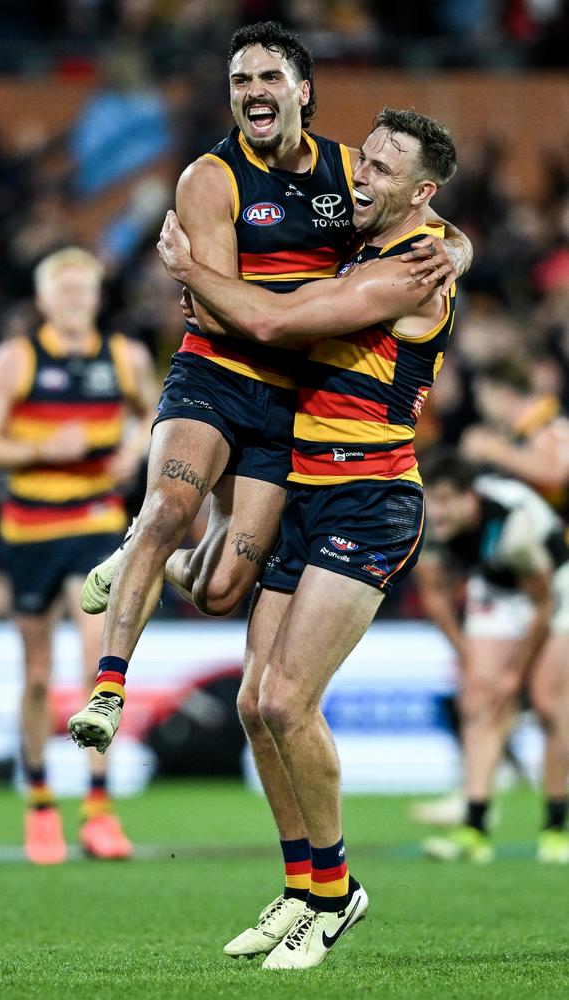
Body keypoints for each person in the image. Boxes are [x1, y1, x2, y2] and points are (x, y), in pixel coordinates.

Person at [68, 23, 470, 747]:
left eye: (268, 78)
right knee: (166, 505)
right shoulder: (209, 179)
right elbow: (226, 319)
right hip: (217, 375)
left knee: (222, 591)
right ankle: (108, 689)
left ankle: (139, 558)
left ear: (301, 92)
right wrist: (239, 295)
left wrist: (457, 252)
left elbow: (424, 218)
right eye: (240, 81)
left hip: (294, 399)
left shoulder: (351, 171)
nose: (253, 92)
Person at [154, 106, 460, 967]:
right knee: (255, 704)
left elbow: (273, 325)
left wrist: (192, 270)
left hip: (369, 498)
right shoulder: (371, 244)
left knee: (289, 699)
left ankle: (336, 893)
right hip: (305, 490)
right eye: (363, 158)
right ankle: (302, 890)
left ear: (422, 194)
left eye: (384, 169)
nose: (361, 175)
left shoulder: (412, 268)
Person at [0, 247, 159, 864]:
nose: (76, 297)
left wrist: (135, 446)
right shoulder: (16, 359)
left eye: (86, 287)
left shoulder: (124, 357)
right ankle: (41, 803)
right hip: (28, 529)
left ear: (98, 296)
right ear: (43, 300)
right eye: (65, 288)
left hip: (96, 523)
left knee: (95, 669)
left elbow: (160, 415)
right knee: (38, 676)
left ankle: (99, 807)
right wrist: (49, 446)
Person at [416, 451, 569, 864]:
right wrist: (471, 659)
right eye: (433, 499)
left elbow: (542, 604)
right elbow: (435, 598)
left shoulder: (513, 525)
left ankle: (556, 828)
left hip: (553, 587)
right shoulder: (427, 522)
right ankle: (474, 829)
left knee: (548, 703)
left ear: (471, 498)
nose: (439, 511)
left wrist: (515, 673)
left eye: (448, 500)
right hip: (497, 588)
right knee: (479, 699)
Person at [461, 357, 569, 516]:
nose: (479, 405)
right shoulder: (521, 431)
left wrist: (494, 450)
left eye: (483, 395)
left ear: (505, 395)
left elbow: (555, 475)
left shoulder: (547, 422)